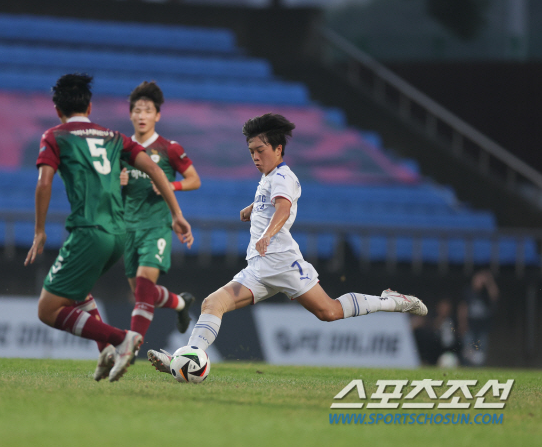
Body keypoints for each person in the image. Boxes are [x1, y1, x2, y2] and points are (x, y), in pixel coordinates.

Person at [147, 113, 428, 373]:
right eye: (251, 152)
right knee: (212, 303)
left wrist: (267, 234)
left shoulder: (283, 176)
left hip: (282, 263)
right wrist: (252, 209)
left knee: (329, 312)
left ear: (278, 149)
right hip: (259, 268)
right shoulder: (269, 177)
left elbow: (282, 207)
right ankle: (187, 357)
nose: (255, 157)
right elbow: (270, 202)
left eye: (261, 151)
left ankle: (391, 301)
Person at [24, 73, 193, 382]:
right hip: (120, 234)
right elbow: (154, 169)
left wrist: (39, 230)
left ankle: (120, 339)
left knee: (47, 310)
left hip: (90, 230)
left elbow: (44, 182)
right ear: (89, 106)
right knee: (76, 291)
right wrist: (177, 213)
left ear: (56, 108)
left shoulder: (55, 135)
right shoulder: (115, 136)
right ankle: (107, 351)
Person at [119, 81, 201, 344]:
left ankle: (131, 346)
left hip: (157, 226)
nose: (142, 116)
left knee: (144, 289)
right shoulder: (120, 149)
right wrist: (116, 183)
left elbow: (194, 179)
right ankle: (180, 303)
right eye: (138, 110)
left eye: (148, 110)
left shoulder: (169, 148)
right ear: (130, 114)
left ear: (157, 115)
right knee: (144, 292)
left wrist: (169, 185)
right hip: (128, 228)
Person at [458, 270, 498, 366]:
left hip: (483, 327)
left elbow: (495, 295)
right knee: (468, 350)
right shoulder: (468, 291)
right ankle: (467, 368)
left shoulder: (486, 293)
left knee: (481, 352)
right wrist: (462, 324)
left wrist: (489, 282)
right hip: (470, 326)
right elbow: (463, 308)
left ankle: (479, 370)